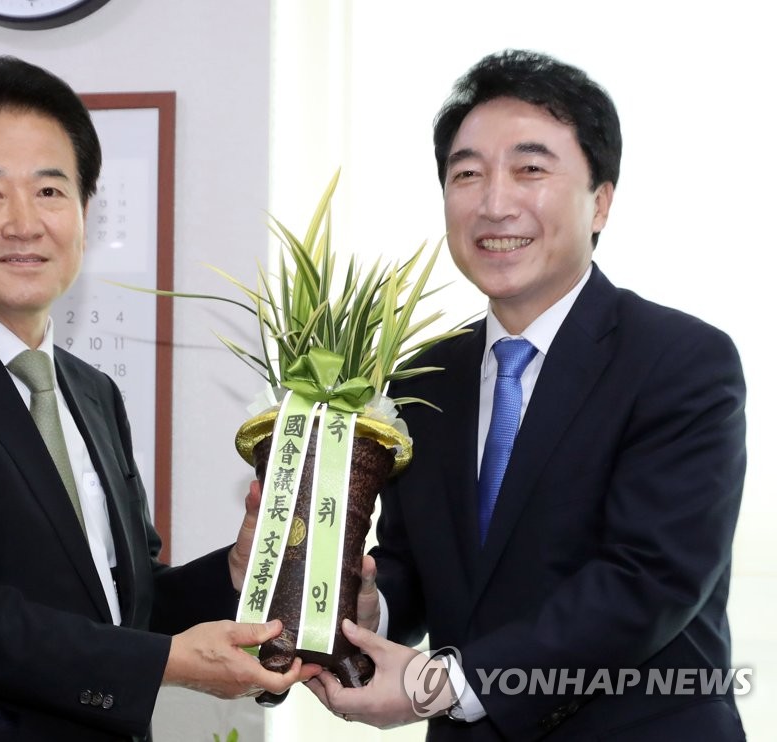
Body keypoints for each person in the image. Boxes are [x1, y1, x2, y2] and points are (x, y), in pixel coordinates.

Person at [0, 56, 308, 742]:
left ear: (83, 215)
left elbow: (118, 608)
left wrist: (235, 572)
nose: (24, 223)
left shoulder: (92, 392)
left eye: (49, 190)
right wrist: (165, 664)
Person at [307, 49, 747, 740]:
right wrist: (367, 608)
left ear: (601, 201)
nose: (493, 203)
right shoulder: (422, 379)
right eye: (467, 174)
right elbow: (416, 565)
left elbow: (649, 580)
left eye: (531, 170)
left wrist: (445, 685)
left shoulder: (681, 361)